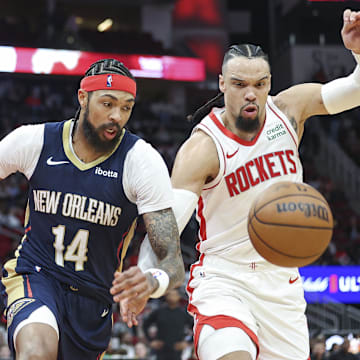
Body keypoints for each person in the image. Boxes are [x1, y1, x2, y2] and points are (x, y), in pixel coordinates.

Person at [122, 8, 360, 360]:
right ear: (222, 84)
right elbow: (165, 228)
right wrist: (149, 278)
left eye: (260, 84)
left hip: (282, 286)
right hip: (225, 281)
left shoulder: (290, 111)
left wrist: (357, 51)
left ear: (270, 83)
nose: (251, 94)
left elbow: (354, 89)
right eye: (239, 84)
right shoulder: (203, 147)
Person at [0, 58, 185, 359]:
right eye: (108, 103)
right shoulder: (35, 140)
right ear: (83, 98)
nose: (117, 116)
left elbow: (173, 260)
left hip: (93, 300)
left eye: (126, 107)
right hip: (37, 274)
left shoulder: (141, 161)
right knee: (35, 351)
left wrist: (152, 281)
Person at [142, 288, 193, 360]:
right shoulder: (159, 312)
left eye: (174, 295)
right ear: (166, 296)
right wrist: (151, 340)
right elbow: (145, 324)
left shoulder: (183, 313)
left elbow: (194, 327)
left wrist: (188, 342)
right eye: (170, 294)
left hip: (177, 349)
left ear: (178, 296)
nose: (172, 297)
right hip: (161, 348)